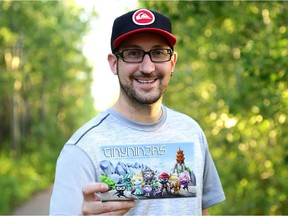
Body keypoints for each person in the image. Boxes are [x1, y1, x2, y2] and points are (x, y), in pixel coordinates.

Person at [49, 8, 225, 215]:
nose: (148, 67)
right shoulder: (81, 150)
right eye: (133, 54)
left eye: (159, 53)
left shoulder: (191, 132)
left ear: (172, 62)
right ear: (114, 64)